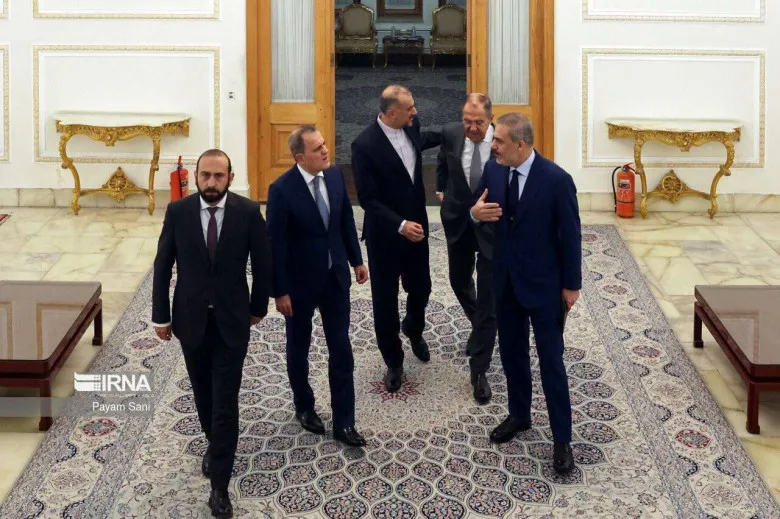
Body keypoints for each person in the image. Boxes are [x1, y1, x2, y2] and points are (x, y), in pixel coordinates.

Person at [151, 149, 271, 517]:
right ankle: (214, 443)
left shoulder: (248, 212)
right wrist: (160, 317)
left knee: (225, 402)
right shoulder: (178, 212)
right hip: (191, 320)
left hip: (232, 321)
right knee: (203, 393)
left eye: (219, 176)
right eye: (206, 175)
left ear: (230, 178)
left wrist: (257, 308)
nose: (211, 182)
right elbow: (163, 264)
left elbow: (262, 263)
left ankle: (220, 485)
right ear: (197, 177)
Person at [471, 113, 581, 475]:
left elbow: (571, 235)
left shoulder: (556, 180)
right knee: (512, 353)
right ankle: (519, 415)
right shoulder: (494, 170)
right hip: (506, 281)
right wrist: (475, 212)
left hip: (544, 286)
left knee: (551, 362)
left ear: (521, 145)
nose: (492, 146)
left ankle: (562, 439)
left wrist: (571, 285)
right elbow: (476, 207)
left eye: (499, 141)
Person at [266, 125, 368, 447]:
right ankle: (304, 406)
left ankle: (344, 422)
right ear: (300, 157)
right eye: (317, 148)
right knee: (299, 348)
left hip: (335, 278)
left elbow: (345, 220)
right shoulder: (281, 190)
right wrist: (279, 291)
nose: (325, 151)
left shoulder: (335, 175)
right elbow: (274, 245)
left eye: (324, 144)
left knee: (341, 349)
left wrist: (356, 260)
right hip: (299, 286)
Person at [351, 84, 441, 393]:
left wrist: (456, 133)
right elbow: (367, 199)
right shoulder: (364, 145)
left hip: (418, 229)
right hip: (385, 235)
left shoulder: (411, 125)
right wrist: (400, 225)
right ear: (391, 113)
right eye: (410, 108)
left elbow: (422, 141)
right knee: (385, 300)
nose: (416, 111)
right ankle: (393, 360)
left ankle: (414, 329)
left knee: (422, 287)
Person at [436, 93, 497, 405]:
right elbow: (443, 162)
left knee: (488, 296)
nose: (472, 128)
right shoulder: (450, 133)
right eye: (467, 121)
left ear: (490, 120)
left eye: (479, 123)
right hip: (458, 221)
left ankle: (479, 370)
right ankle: (482, 325)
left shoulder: (503, 142)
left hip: (492, 229)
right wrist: (441, 188)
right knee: (458, 280)